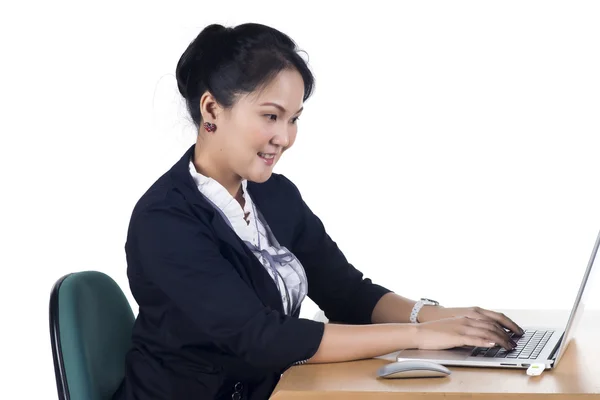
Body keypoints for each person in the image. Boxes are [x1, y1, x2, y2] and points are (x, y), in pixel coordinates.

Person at [114, 22, 524, 400]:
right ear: (211, 110)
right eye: (271, 116)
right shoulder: (165, 222)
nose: (285, 137)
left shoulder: (274, 195)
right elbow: (261, 338)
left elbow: (346, 293)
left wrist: (443, 319)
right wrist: (420, 335)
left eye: (293, 119)